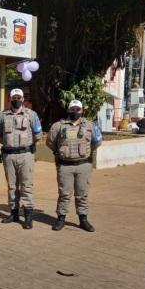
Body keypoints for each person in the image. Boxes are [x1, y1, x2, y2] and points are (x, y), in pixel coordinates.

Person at [46, 99, 102, 232]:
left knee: (82, 194)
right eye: (72, 109)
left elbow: (97, 142)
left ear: (82, 110)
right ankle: (61, 219)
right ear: (68, 110)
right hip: (65, 166)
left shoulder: (90, 125)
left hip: (84, 166)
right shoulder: (58, 126)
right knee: (64, 194)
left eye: (78, 109)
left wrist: (86, 153)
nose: (75, 112)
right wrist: (59, 152)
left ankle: (83, 219)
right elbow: (50, 142)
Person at [0, 88, 43, 229]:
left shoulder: (31, 114)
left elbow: (38, 135)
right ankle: (14, 213)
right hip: (9, 155)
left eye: (19, 97)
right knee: (11, 186)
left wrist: (26, 146)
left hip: (26, 155)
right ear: (10, 99)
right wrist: (9, 145)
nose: (16, 99)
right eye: (14, 97)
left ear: (23, 99)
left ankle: (28, 217)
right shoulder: (3, 115)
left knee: (26, 186)